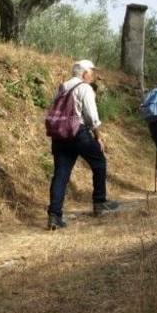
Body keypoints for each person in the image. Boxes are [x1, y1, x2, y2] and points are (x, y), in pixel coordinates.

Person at [47, 59, 120, 230]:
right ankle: (99, 202)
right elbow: (92, 117)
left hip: (60, 135)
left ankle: (54, 215)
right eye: (92, 72)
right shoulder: (84, 88)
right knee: (99, 161)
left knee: (61, 174)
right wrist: (98, 137)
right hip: (78, 133)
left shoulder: (63, 87)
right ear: (84, 73)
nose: (93, 75)